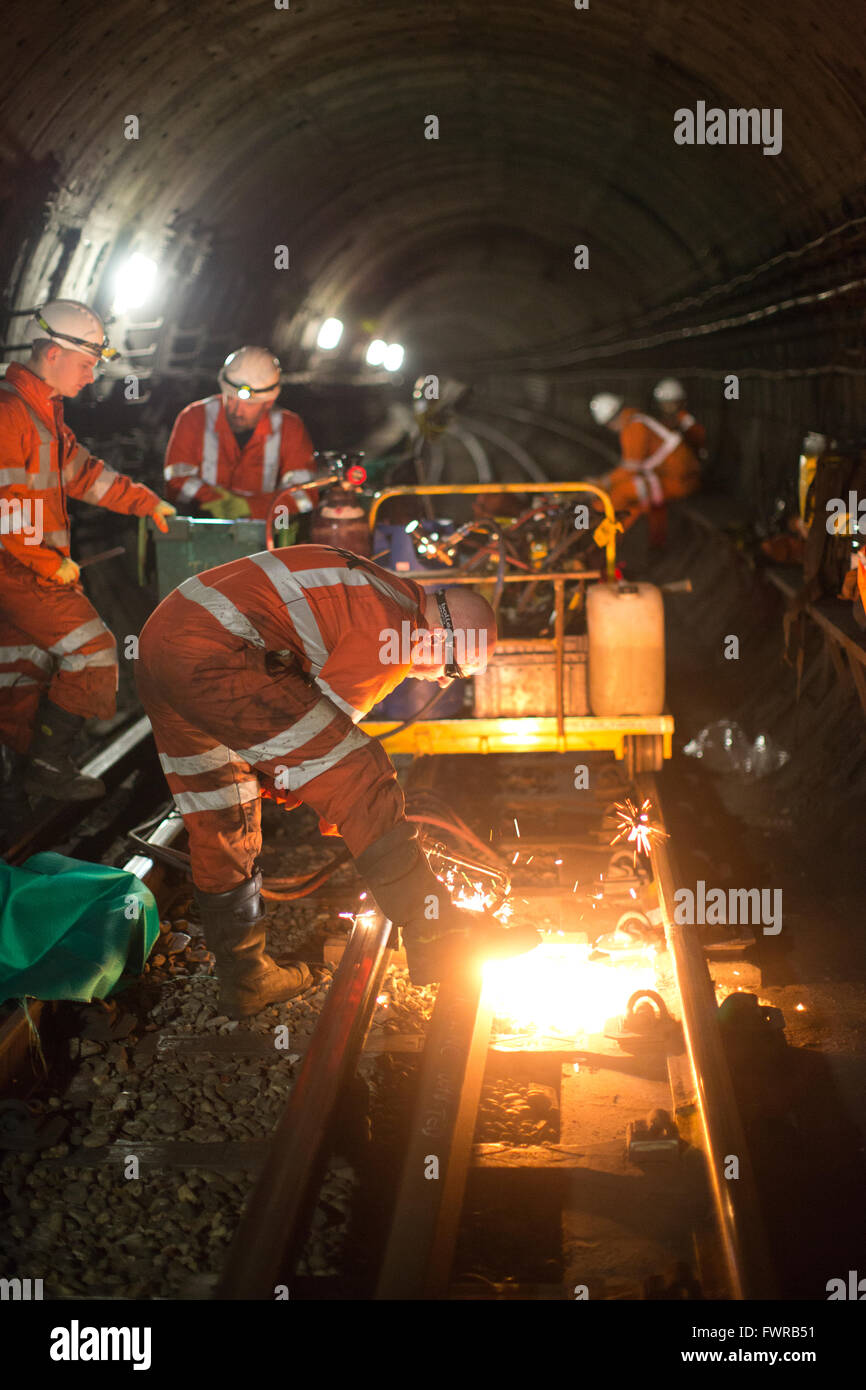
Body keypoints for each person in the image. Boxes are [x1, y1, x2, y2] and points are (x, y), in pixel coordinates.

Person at [136, 544, 538, 1016]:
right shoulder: (393, 630)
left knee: (221, 815)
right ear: (438, 636)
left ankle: (245, 979)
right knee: (364, 772)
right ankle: (441, 934)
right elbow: (335, 762)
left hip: (162, 647)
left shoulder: (379, 592)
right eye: (453, 668)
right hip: (217, 652)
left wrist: (295, 781)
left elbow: (297, 744)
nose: (445, 682)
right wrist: (355, 817)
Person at [0, 299, 176, 801]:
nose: (92, 376)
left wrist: (146, 503)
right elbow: (4, 509)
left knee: (19, 670)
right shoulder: (9, 414)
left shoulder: (43, 414)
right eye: (85, 364)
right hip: (20, 572)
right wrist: (49, 563)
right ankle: (48, 769)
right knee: (94, 652)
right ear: (52, 354)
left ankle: (19, 781)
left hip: (29, 570)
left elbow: (84, 475)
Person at [163, 346, 316, 522]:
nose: (237, 411)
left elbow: (304, 495)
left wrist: (250, 506)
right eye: (231, 399)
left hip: (264, 537)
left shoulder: (290, 428)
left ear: (268, 402)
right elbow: (175, 479)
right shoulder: (194, 417)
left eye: (249, 404)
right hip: (202, 530)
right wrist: (215, 500)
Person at [588, 392, 701, 531]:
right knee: (624, 498)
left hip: (680, 481)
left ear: (609, 423)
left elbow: (630, 470)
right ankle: (618, 534)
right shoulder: (636, 419)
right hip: (678, 475)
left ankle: (608, 538)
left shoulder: (633, 428)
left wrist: (602, 483)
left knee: (619, 495)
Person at [652, 378, 707, 460]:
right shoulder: (653, 424)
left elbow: (699, 452)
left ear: (681, 403)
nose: (668, 406)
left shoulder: (690, 425)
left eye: (672, 402)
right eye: (665, 403)